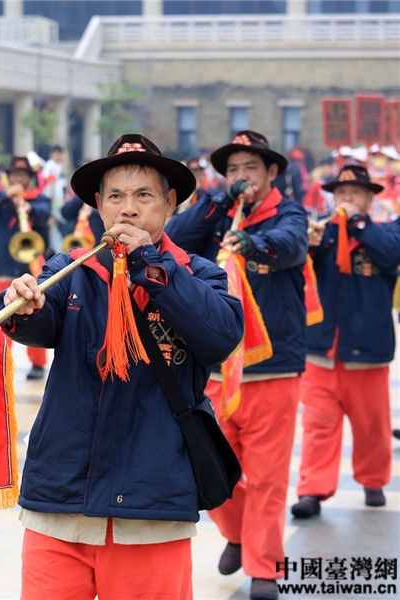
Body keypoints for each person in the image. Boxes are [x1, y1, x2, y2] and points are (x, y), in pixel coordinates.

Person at [0, 134, 243, 600]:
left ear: (170, 203)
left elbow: (220, 335)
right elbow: (40, 318)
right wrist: (21, 304)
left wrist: (150, 264)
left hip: (151, 511)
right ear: (98, 205)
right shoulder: (72, 269)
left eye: (143, 195)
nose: (128, 209)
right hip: (60, 502)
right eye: (115, 196)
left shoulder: (198, 273)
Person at [166, 130, 309, 600]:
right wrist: (215, 202)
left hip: (273, 369)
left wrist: (247, 243)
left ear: (271, 173)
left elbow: (291, 244)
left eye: (251, 168)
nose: (242, 177)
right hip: (216, 368)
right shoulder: (215, 214)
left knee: (267, 475)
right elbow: (175, 237)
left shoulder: (288, 213)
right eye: (233, 170)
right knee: (207, 464)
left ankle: (265, 567)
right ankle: (238, 532)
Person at [293, 165, 400, 519]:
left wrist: (358, 223)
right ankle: (312, 490)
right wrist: (307, 244)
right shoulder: (321, 233)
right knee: (318, 424)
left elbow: (390, 256)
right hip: (321, 349)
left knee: (372, 424)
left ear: (370, 198)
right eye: (341, 193)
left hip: (367, 351)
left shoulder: (387, 230)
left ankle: (373, 480)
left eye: (355, 193)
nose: (347, 199)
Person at [0, 156, 52, 380]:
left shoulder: (39, 200)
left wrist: (29, 209)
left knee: (35, 314)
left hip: (31, 269)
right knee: (3, 316)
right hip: (4, 265)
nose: (18, 179)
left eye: (23, 175)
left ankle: (38, 363)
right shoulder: (0, 201)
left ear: (30, 178)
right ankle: (2, 361)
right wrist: (4, 196)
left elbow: (45, 214)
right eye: (14, 175)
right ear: (8, 178)